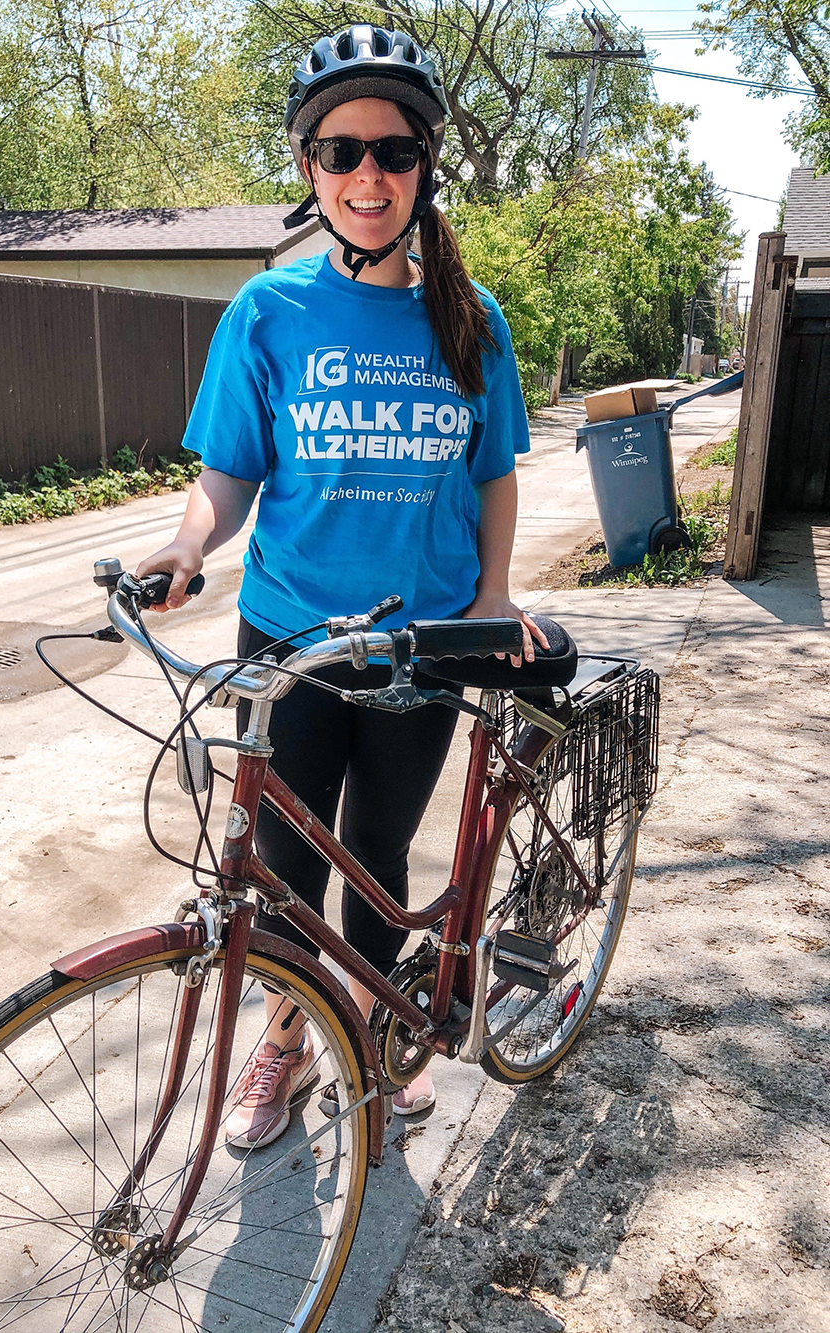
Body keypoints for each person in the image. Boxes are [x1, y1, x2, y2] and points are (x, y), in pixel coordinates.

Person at [136, 23, 548, 1149]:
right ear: (307, 169)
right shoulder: (267, 313)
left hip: (420, 650)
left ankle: (365, 1029)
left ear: (423, 170)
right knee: (276, 880)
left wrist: (491, 601)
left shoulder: (472, 319)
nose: (369, 174)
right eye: (340, 150)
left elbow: (494, 473)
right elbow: (227, 473)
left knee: (375, 865)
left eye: (394, 153)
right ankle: (285, 1038)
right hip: (286, 642)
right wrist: (188, 547)